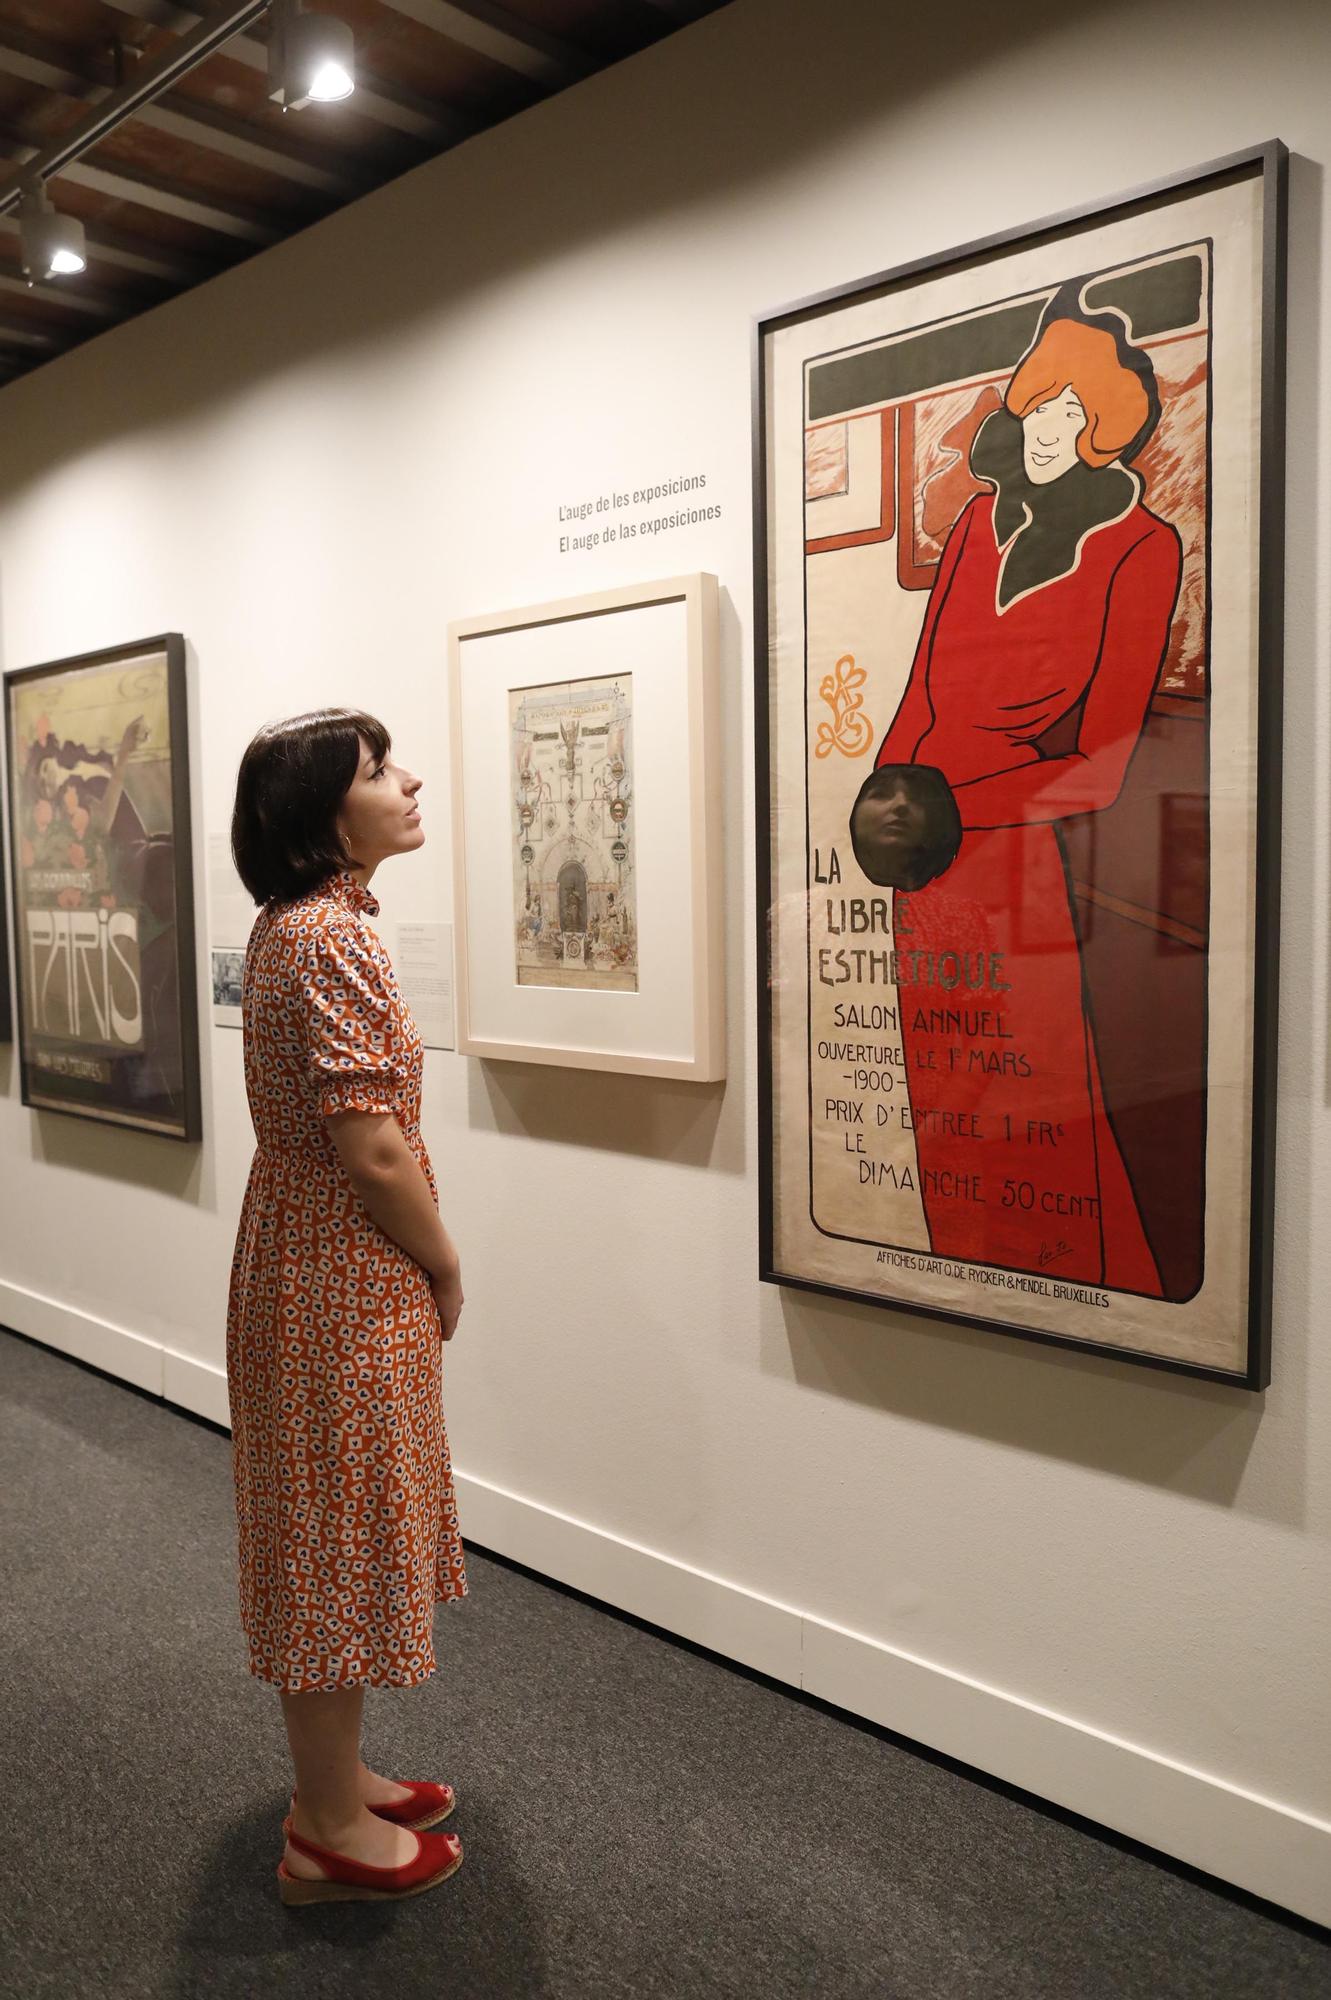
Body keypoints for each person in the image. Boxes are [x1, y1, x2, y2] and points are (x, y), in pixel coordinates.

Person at [862, 299, 1183, 1293]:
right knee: (940, 1096)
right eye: (1033, 411)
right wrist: (881, 805)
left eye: (1063, 419)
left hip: (1020, 864)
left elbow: (1102, 757)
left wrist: (962, 808)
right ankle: (959, 1282)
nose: (1041, 434)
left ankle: (1054, 1284)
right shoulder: (972, 524)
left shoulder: (1141, 548)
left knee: (1030, 1096)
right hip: (923, 863)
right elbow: (917, 690)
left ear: (1099, 433)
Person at [227, 707, 467, 1907]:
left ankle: (338, 1775)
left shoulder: (295, 927)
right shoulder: (330, 939)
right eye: (380, 770)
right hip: (341, 1268)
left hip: (303, 1256)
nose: (409, 779)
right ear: (324, 811)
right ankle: (324, 1829)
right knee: (331, 1538)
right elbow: (370, 1147)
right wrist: (443, 1263)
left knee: (331, 1524)